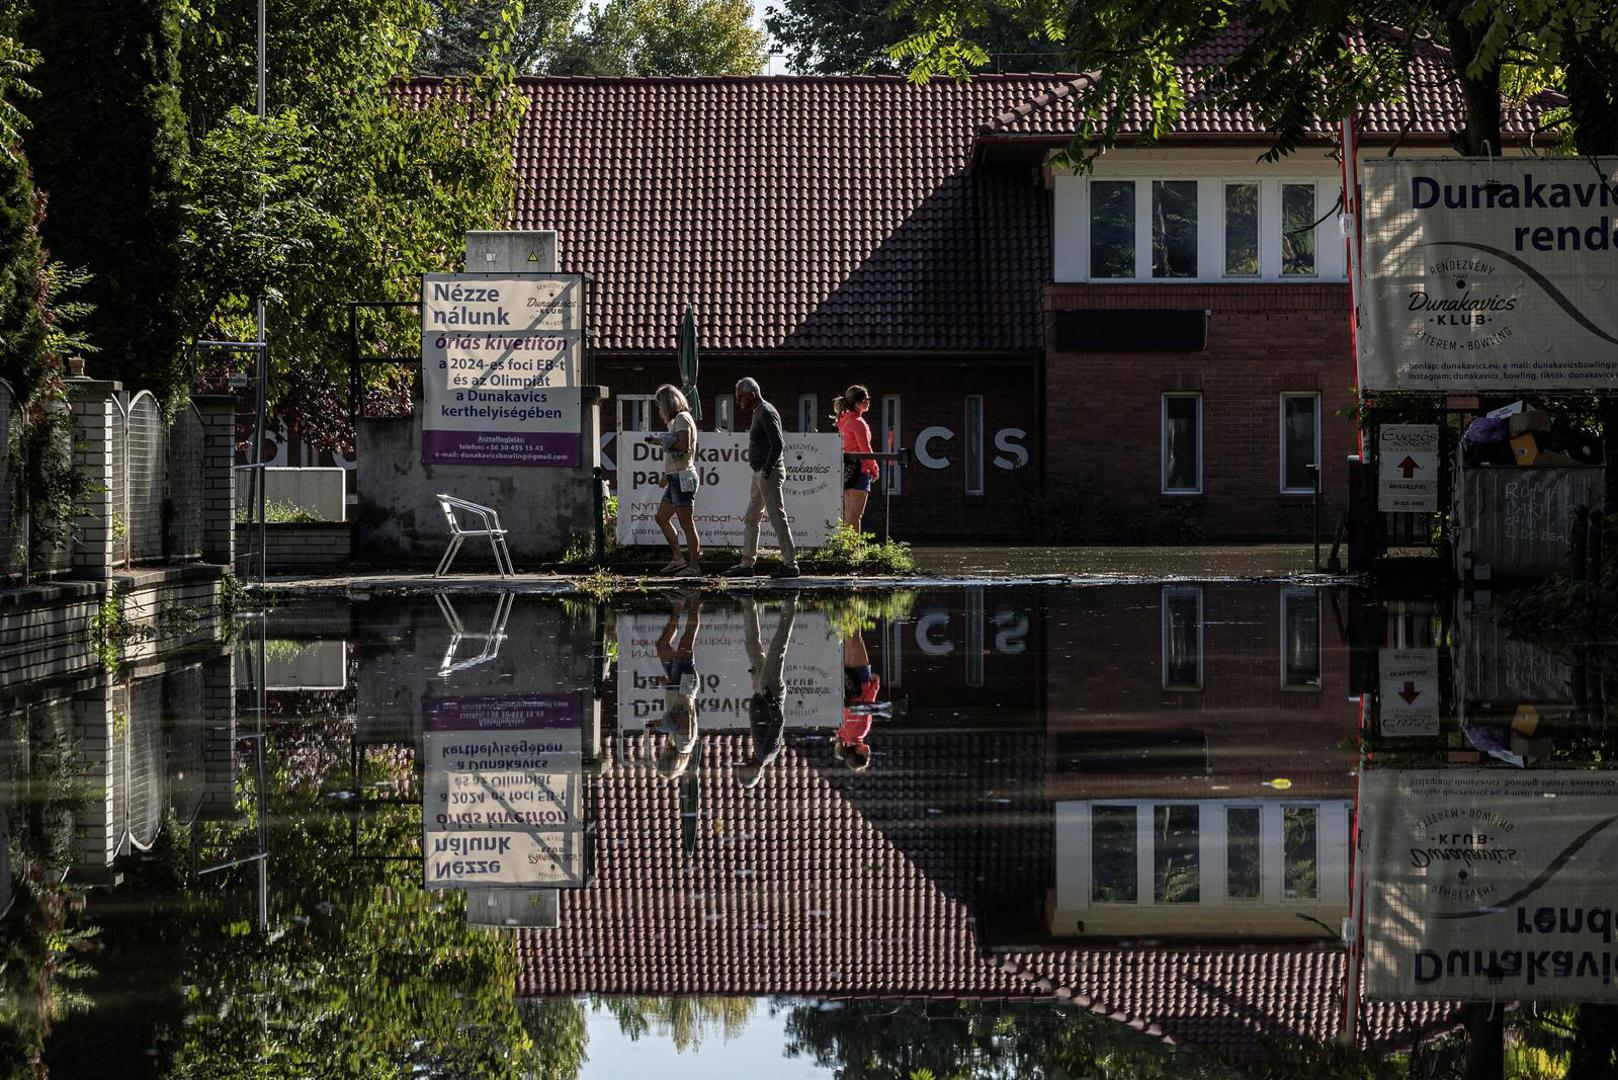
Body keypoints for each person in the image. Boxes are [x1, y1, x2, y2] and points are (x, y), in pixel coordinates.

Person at [722, 377, 799, 579]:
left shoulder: (765, 412)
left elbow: (778, 444)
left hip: (768, 473)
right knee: (751, 517)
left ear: (752, 394)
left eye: (741, 397)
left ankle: (791, 565)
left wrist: (765, 470)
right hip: (761, 473)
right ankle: (747, 564)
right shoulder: (759, 411)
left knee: (777, 517)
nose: (739, 402)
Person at [734, 594, 796, 788]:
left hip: (760, 689)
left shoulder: (759, 752)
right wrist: (768, 696)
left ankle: (748, 602)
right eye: (743, 765)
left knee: (752, 645)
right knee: (778, 646)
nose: (742, 760)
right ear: (751, 769)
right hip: (769, 690)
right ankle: (790, 602)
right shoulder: (766, 752)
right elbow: (778, 721)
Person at [646, 384, 702, 576]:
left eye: (660, 405)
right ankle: (678, 558)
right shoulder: (677, 421)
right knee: (661, 518)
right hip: (676, 477)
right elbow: (679, 454)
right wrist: (666, 476)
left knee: (687, 523)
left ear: (668, 403)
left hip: (683, 477)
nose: (659, 410)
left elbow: (684, 446)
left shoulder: (681, 418)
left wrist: (661, 440)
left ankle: (694, 566)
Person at [652, 592, 701, 780]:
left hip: (675, 687)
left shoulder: (675, 743)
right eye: (661, 758)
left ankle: (678, 606)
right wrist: (663, 725)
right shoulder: (684, 744)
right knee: (687, 640)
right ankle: (695, 599)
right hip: (685, 687)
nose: (660, 753)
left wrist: (668, 688)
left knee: (662, 646)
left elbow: (675, 713)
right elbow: (682, 719)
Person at [835, 629, 884, 773]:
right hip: (847, 682)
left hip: (861, 683)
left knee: (856, 636)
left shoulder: (860, 732)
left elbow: (865, 705)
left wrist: (875, 686)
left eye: (866, 756)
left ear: (859, 752)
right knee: (848, 638)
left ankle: (852, 607)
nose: (869, 753)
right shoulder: (842, 734)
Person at [833, 384, 880, 532]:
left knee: (848, 514)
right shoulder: (858, 423)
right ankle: (853, 551)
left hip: (847, 470)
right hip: (860, 471)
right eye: (867, 399)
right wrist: (874, 468)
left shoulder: (844, 420)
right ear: (858, 403)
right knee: (856, 515)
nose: (869, 401)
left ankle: (847, 549)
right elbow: (865, 449)